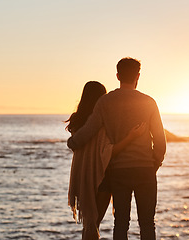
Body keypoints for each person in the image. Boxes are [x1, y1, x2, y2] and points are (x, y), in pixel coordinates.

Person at [67, 58, 166, 240]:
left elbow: (89, 130)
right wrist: (153, 165)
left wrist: (72, 142)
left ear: (118, 75)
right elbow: (160, 141)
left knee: (121, 224)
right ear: (138, 76)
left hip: (119, 171)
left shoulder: (105, 102)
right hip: (145, 170)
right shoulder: (149, 102)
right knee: (147, 224)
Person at [66, 81, 146, 240]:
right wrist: (132, 137)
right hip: (101, 176)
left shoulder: (77, 120)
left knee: (89, 223)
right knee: (94, 223)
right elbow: (108, 151)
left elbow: (76, 144)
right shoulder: (103, 123)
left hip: (83, 176)